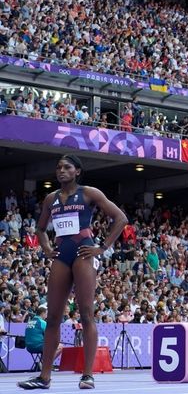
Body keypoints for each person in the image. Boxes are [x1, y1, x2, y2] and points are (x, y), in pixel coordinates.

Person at [18, 154, 128, 390]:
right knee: (53, 318)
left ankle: (87, 375)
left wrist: (103, 247)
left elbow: (121, 218)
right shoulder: (51, 198)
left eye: (67, 167)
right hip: (61, 253)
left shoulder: (90, 193)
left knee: (86, 314)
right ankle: (44, 377)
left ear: (77, 171)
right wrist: (46, 247)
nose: (61, 171)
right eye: (58, 167)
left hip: (83, 252)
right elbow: (39, 227)